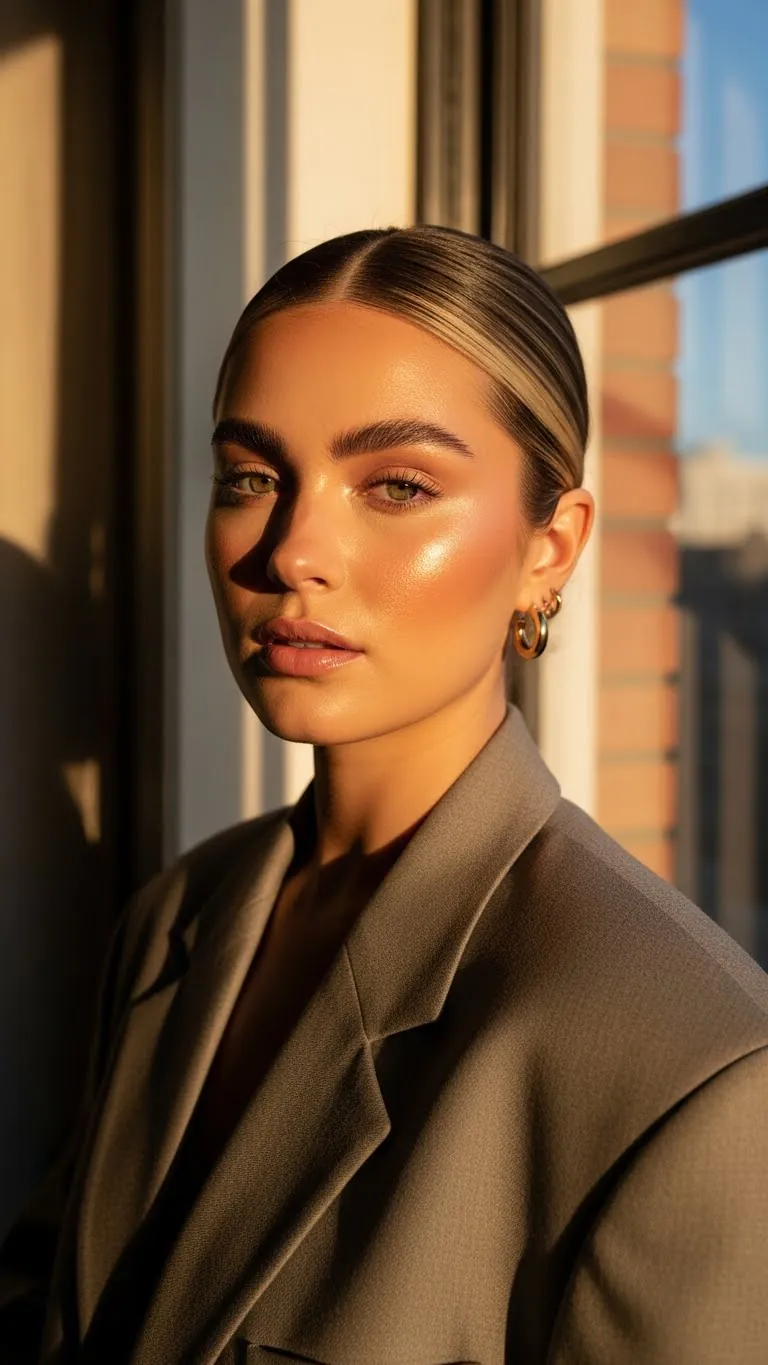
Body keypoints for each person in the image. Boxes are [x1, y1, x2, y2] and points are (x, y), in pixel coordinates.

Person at [5, 224, 768, 1364]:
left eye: (398, 484)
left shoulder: (692, 1070)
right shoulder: (179, 918)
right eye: (252, 477)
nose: (292, 552)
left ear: (550, 547)